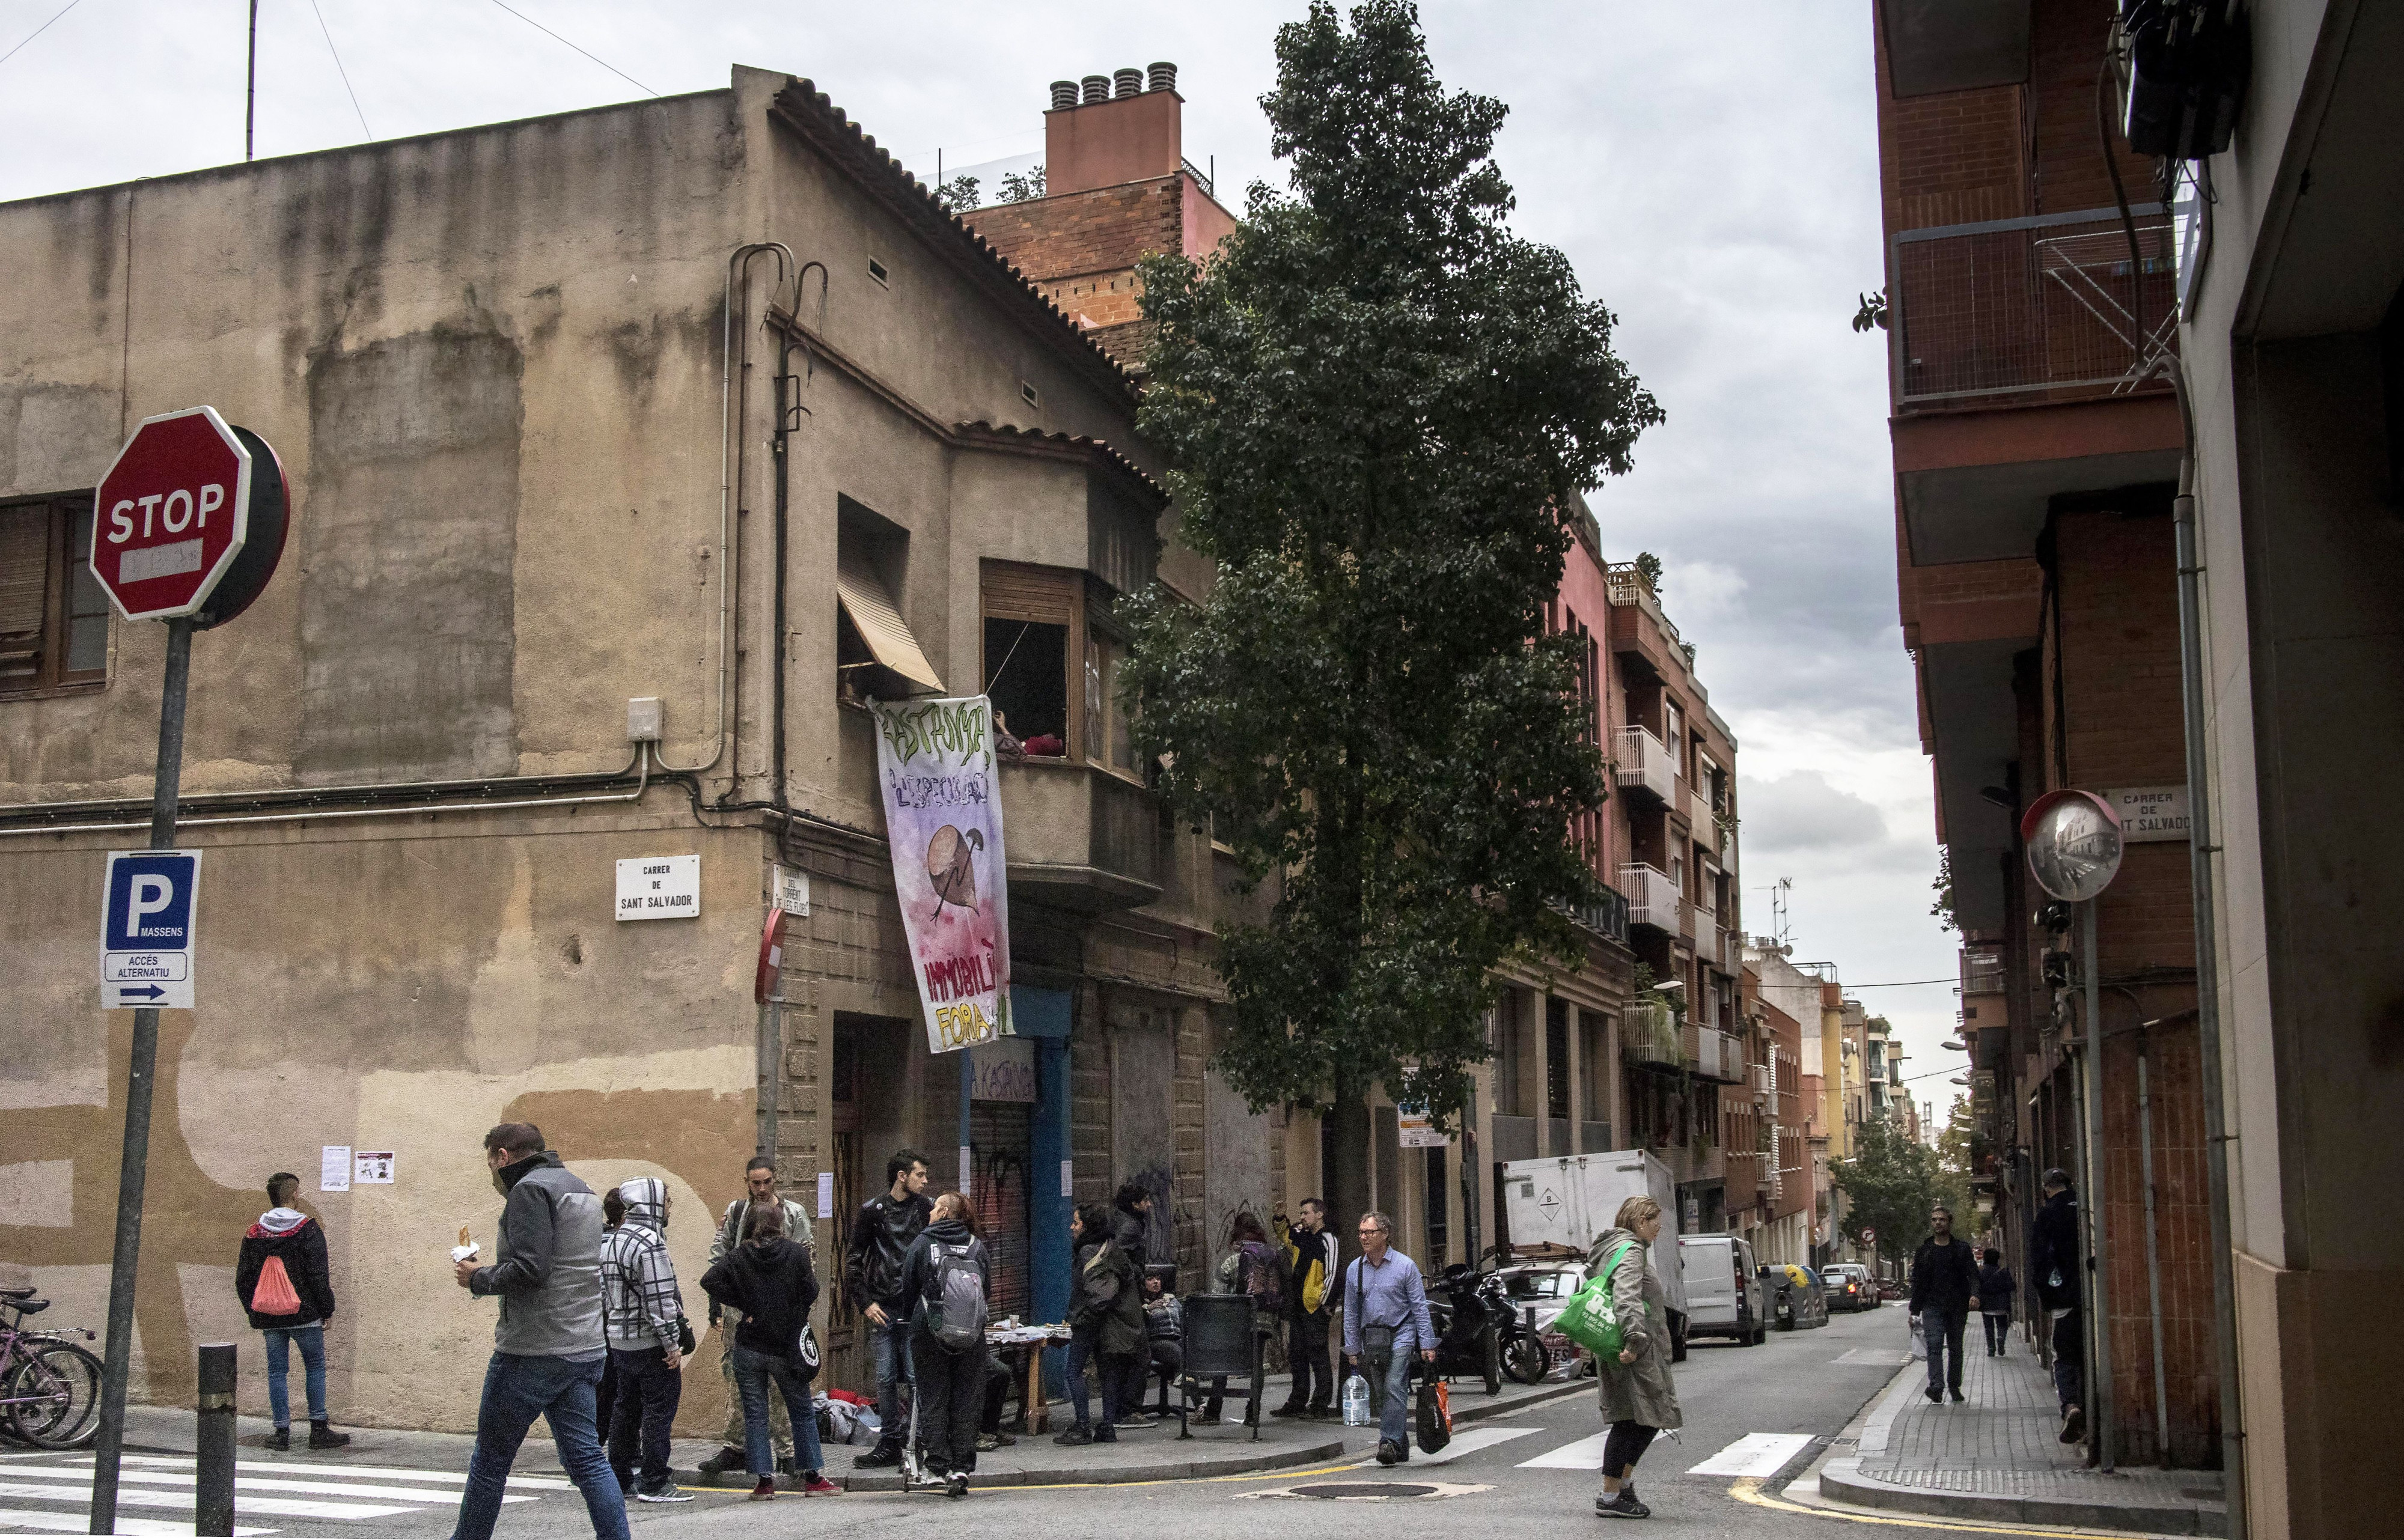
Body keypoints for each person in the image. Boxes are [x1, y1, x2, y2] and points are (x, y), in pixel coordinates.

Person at [448, 1123, 627, 1540]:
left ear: (503, 1155)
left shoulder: (529, 1190)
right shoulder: (578, 1187)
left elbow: (532, 1269)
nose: (491, 1170)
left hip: (533, 1349)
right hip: (583, 1346)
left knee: (491, 1462)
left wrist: (478, 1276)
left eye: (491, 1160)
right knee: (588, 1461)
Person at [697, 1202, 839, 1500]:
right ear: (781, 1223)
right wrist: (793, 1312)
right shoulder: (796, 1254)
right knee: (800, 1409)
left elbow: (709, 1280)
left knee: (755, 1414)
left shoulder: (739, 1255)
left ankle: (764, 1482)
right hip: (787, 1346)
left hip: (749, 1345)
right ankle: (812, 1478)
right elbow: (811, 1290)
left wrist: (744, 1305)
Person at [698, 1158, 816, 1480]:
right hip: (742, 1317)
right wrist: (719, 1307)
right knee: (737, 1382)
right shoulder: (737, 1212)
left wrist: (797, 1312)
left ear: (775, 1180)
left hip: (783, 1317)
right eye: (755, 1183)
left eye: (766, 1182)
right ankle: (736, 1448)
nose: (761, 1189)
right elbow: (717, 1260)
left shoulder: (793, 1214)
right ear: (747, 1182)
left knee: (784, 1383)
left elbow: (809, 1263)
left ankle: (787, 1452)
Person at [234, 1172, 349, 1452]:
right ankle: (318, 1429)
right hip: (305, 1313)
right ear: (295, 1194)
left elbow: (243, 1278)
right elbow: (319, 1273)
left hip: (270, 1315)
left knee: (276, 1372)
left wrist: (256, 1308)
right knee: (315, 1367)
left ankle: (281, 1432)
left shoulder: (254, 1233)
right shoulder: (308, 1229)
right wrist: (326, 1308)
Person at [1590, 1195, 1682, 1520]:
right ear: (1641, 1221)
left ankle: (1621, 1487)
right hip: (1635, 1351)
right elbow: (1626, 1296)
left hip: (1626, 1348)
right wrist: (1635, 1338)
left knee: (1639, 1418)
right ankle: (1611, 1496)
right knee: (1635, 1420)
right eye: (1656, 1221)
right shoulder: (1631, 1252)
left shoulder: (1615, 1248)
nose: (1659, 1228)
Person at [597, 1179, 688, 1503]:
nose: (669, 1206)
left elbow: (606, 1294)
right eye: (666, 1200)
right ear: (652, 1202)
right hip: (650, 1343)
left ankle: (620, 1477)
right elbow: (660, 1300)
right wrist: (672, 1344)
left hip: (619, 1340)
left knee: (625, 1408)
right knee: (658, 1411)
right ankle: (655, 1481)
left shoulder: (613, 1240)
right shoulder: (650, 1243)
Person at [897, 1192, 993, 1499]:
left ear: (944, 1212)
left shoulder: (924, 1243)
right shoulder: (976, 1246)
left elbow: (908, 1283)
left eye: (935, 1207)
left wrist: (915, 1314)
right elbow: (986, 1289)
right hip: (971, 1332)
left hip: (929, 1327)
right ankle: (962, 1467)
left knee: (933, 1394)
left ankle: (937, 1467)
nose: (930, 1212)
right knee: (967, 1396)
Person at [845, 1148, 932, 1469]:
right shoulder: (873, 1211)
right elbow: (854, 1260)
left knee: (915, 1375)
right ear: (902, 1176)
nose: (925, 1181)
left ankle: (918, 1441)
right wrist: (865, 1302)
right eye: (919, 1174)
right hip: (882, 1304)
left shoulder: (926, 1209)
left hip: (914, 1306)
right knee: (884, 1376)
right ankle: (891, 1442)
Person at [1339, 1210, 1433, 1467]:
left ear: (1385, 1234)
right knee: (1382, 1393)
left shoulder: (1405, 1266)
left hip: (1402, 1332)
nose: (1364, 1237)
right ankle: (1400, 1446)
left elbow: (1419, 1307)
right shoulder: (1354, 1269)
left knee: (1394, 1385)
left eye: (1370, 1232)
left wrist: (1426, 1343)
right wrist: (1352, 1347)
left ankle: (1388, 1442)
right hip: (1373, 1337)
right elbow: (1351, 1311)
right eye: (1361, 1232)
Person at [1054, 1202, 1138, 1445]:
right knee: (1108, 1373)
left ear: (1088, 1226)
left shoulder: (1088, 1252)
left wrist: (1079, 1317)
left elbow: (1098, 1294)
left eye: (1077, 1222)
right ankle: (1107, 1427)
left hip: (1091, 1319)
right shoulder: (1113, 1248)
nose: (1072, 1227)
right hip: (1112, 1321)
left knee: (1073, 1370)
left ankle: (1082, 1425)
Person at [1198, 1212, 1287, 1426]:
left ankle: (1213, 1411)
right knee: (1257, 1365)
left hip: (1236, 1320)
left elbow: (1217, 1293)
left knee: (1223, 1363)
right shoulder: (1271, 1255)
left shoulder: (1234, 1261)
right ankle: (1252, 1414)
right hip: (1266, 1320)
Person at [2028, 1168, 2086, 1443]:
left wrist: (2047, 1296)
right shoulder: (2083, 1204)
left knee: (2063, 1355)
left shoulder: (2047, 1214)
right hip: (2091, 1292)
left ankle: (2071, 1406)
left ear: (2046, 1188)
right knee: (2088, 1356)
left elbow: (2040, 1260)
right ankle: (2086, 1410)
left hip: (2063, 1298)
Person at [1908, 1205, 1981, 1404]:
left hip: (1957, 1306)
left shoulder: (1961, 1249)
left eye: (1941, 1219)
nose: (1937, 1223)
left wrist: (1974, 1294)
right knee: (1934, 1344)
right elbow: (1918, 1282)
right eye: (1934, 1220)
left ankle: (1954, 1386)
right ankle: (1937, 1386)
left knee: (1956, 1347)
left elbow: (1973, 1274)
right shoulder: (1925, 1250)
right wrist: (1914, 1311)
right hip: (1932, 1306)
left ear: (1949, 1222)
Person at [1272, 1199, 1337, 1419]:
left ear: (1319, 1215)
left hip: (1314, 1307)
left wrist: (1325, 1302)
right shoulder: (1303, 1238)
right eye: (1300, 1213)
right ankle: (1298, 1400)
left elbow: (1333, 1273)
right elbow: (1285, 1235)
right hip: (1298, 1306)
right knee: (1297, 1355)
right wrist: (1281, 1217)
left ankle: (1320, 1404)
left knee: (1318, 1355)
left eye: (1306, 1213)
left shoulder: (1328, 1239)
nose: (1302, 1217)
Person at [595, 1189, 626, 1441]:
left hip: (599, 1323)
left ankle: (599, 1442)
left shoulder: (597, 1240)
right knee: (621, 1390)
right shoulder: (625, 1243)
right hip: (617, 1323)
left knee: (605, 1390)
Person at [1141, 1270, 1183, 1416]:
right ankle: (1200, 1404)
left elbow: (1184, 1319)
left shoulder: (1171, 1300)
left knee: (1185, 1348)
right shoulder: (1141, 1303)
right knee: (1177, 1352)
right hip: (1156, 1342)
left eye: (1158, 1279)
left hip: (1177, 1340)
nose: (1155, 1282)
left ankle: (1179, 1377)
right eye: (1151, 1279)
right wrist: (1147, 1309)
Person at [1977, 1247, 2017, 1357]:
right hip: (2002, 1304)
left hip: (1987, 1305)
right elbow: (2011, 1286)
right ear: (1997, 1259)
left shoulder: (1981, 1272)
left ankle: (1991, 1348)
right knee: (2002, 1325)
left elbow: (1978, 1288)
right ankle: (2001, 1338)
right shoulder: (2003, 1272)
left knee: (1988, 1327)